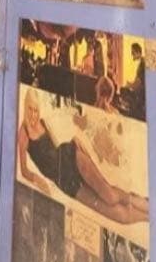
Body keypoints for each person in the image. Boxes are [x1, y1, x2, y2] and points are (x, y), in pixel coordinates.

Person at [18, 88, 147, 225]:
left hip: (72, 158)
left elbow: (59, 142)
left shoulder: (43, 122)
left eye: (36, 110)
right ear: (26, 107)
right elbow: (24, 171)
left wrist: (75, 140)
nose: (33, 114)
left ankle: (146, 205)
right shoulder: (24, 132)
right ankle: (148, 216)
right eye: (30, 109)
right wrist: (39, 181)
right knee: (119, 216)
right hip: (66, 182)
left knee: (111, 197)